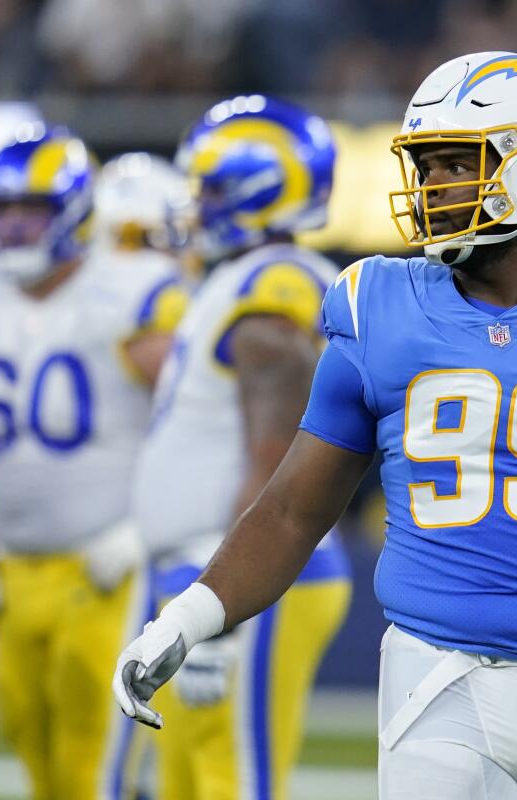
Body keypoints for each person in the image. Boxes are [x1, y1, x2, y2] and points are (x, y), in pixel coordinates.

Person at [114, 52, 517, 799]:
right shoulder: (376, 306)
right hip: (437, 681)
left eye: (458, 163)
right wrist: (188, 618)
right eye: (427, 166)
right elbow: (294, 510)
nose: (433, 188)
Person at [0, 124, 187, 799]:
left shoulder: (130, 290)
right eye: (2, 211)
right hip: (13, 572)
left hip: (107, 573)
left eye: (32, 211)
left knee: (94, 773)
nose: (15, 228)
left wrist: (146, 528)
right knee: (44, 774)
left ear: (76, 213)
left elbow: (199, 423)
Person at [129, 96, 351, 800]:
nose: (195, 205)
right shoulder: (233, 280)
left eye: (211, 188)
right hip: (212, 569)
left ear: (260, 190)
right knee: (193, 782)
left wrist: (219, 613)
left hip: (245, 573)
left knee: (235, 783)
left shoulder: (272, 283)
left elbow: (276, 458)